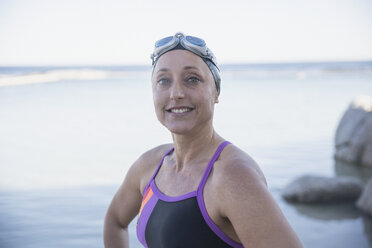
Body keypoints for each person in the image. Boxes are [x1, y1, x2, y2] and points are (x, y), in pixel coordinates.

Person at [103, 32, 303, 248]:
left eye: (192, 79)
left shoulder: (232, 176)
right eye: (163, 81)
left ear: (215, 91)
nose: (176, 93)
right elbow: (115, 222)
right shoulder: (150, 165)